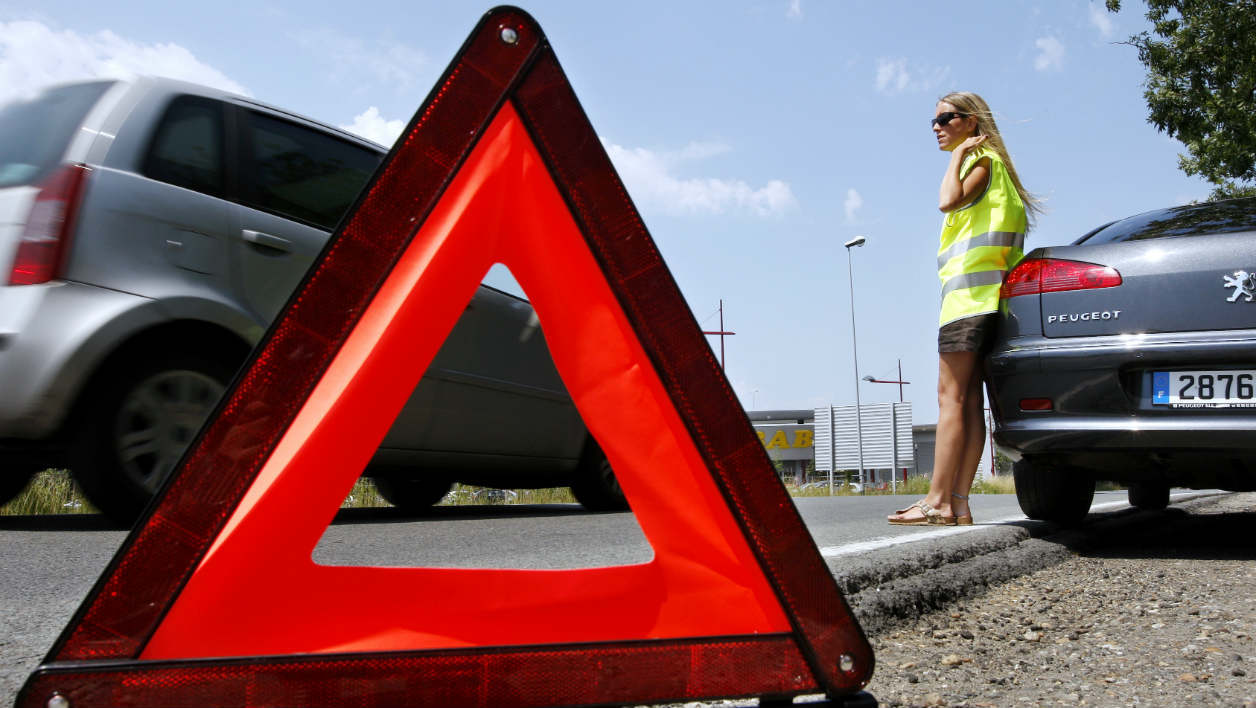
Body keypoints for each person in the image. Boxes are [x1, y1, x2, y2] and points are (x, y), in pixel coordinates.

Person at [887, 92, 1041, 525]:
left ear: (971, 122)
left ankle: (936, 500)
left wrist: (955, 159)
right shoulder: (999, 170)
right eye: (933, 122)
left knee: (950, 399)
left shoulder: (982, 163)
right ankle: (958, 503)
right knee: (971, 403)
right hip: (991, 301)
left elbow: (947, 200)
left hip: (968, 303)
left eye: (945, 119)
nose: (936, 127)